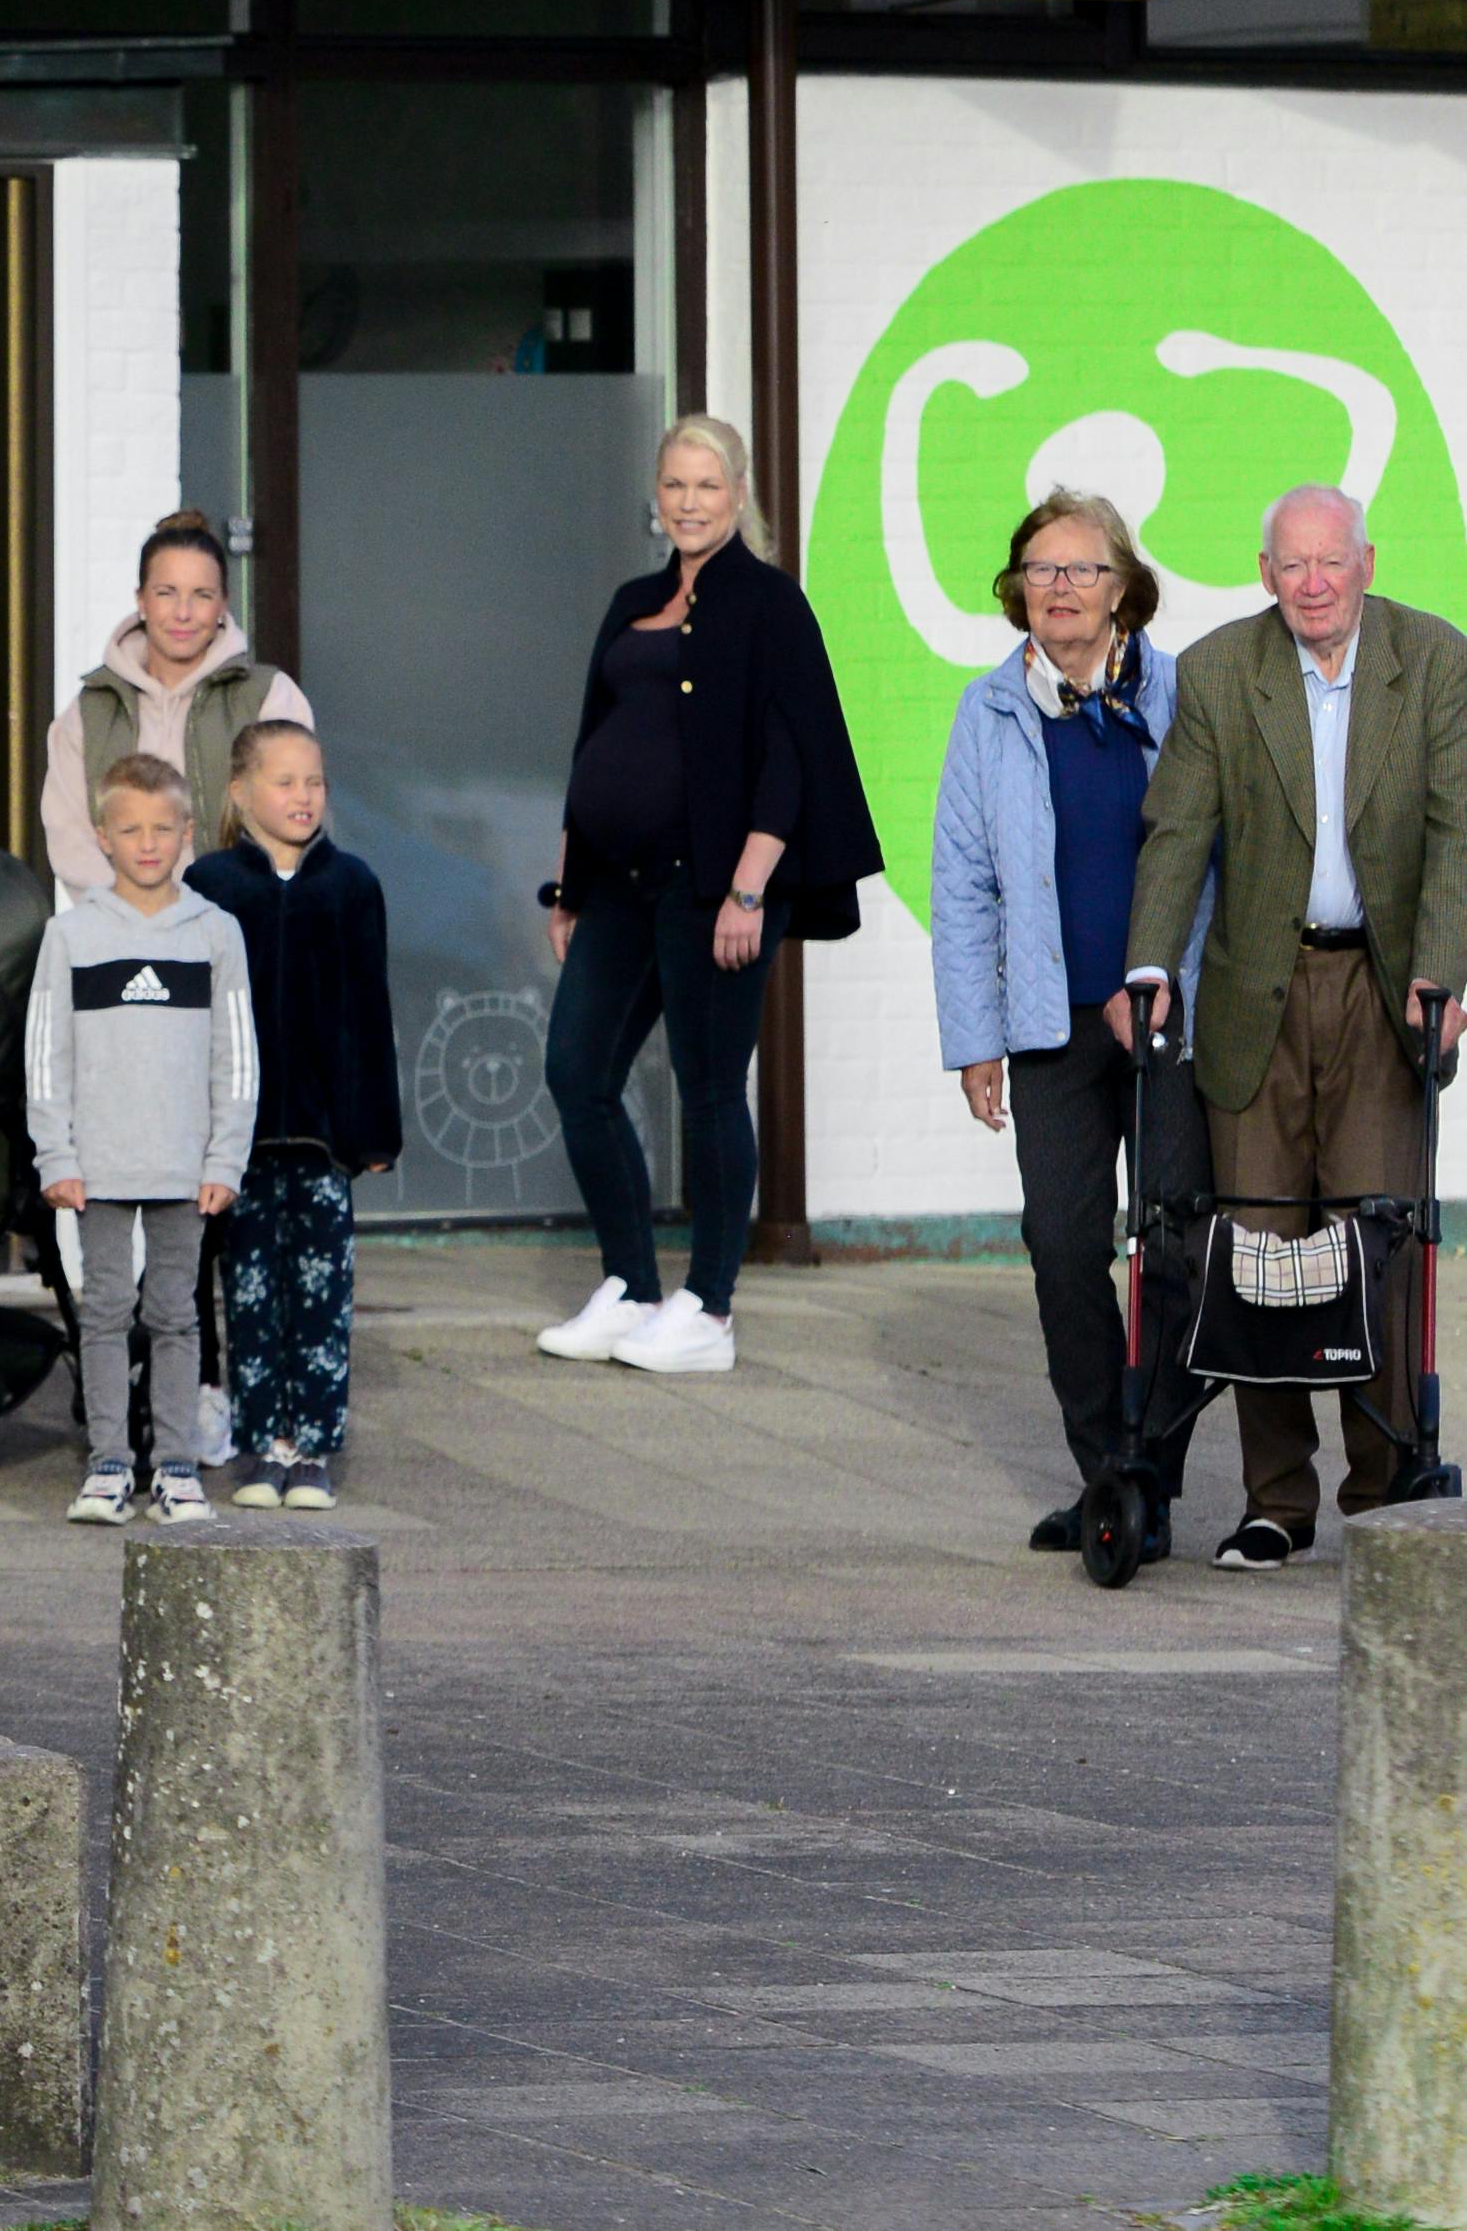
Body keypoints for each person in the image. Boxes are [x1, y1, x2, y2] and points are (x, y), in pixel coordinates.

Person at [1117, 482, 1467, 1570]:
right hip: (1255, 989)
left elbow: (1461, 827)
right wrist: (1149, 961)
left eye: (1331, 563)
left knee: (1378, 1238)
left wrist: (1444, 972)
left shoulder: (1437, 660)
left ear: (1365, 562)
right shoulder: (1223, 671)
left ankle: (1381, 1496)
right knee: (1258, 1250)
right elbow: (1178, 828)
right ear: (1266, 573)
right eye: (1292, 566)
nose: (1312, 584)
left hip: (1384, 986)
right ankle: (1277, 1502)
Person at [534, 415, 883, 1378]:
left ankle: (710, 1310)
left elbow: (791, 758)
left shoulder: (769, 605)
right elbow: (590, 745)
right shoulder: (631, 600)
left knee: (709, 1084)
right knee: (576, 1070)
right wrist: (567, 884)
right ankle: (633, 1284)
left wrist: (748, 889)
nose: (689, 503)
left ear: (739, 495)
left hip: (713, 892)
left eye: (707, 486)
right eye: (674, 486)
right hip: (615, 886)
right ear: (658, 496)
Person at [930, 490, 1202, 1559]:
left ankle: (1154, 1474)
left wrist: (1170, 977)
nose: (1058, 590)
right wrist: (975, 1037)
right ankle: (1103, 1473)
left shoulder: (1184, 694)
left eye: (1081, 570)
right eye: (1039, 572)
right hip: (1049, 1027)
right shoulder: (988, 711)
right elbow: (963, 887)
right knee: (1062, 1246)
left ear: (1124, 584)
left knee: (1177, 1243)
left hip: (1166, 1020)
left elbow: (1216, 861)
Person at [26, 752, 258, 1529]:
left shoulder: (216, 934)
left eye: (163, 828)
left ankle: (179, 1468)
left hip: (184, 1168)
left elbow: (237, 1055)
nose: (148, 843)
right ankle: (108, 1466)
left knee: (177, 1314)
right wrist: (55, 1154)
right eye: (131, 829)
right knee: (102, 1312)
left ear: (188, 833)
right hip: (96, 1166)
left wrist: (225, 1156)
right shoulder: (72, 936)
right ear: (103, 837)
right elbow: (46, 1051)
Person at [190, 721, 401, 1510]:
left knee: (321, 1295)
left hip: (322, 1136)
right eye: (285, 782)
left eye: (314, 782)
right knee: (247, 1293)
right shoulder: (211, 885)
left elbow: (368, 1013)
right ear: (241, 794)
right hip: (236, 1141)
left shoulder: (353, 885)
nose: (303, 796)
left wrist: (374, 1131)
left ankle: (310, 1450)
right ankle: (260, 1446)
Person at [41, 509, 310, 903]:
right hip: (123, 938)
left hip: (243, 934)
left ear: (223, 605)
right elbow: (69, 834)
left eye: (202, 595)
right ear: (141, 601)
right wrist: (134, 918)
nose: (183, 613)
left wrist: (222, 920)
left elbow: (290, 821)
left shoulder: (269, 697)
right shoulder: (91, 710)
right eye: (166, 593)